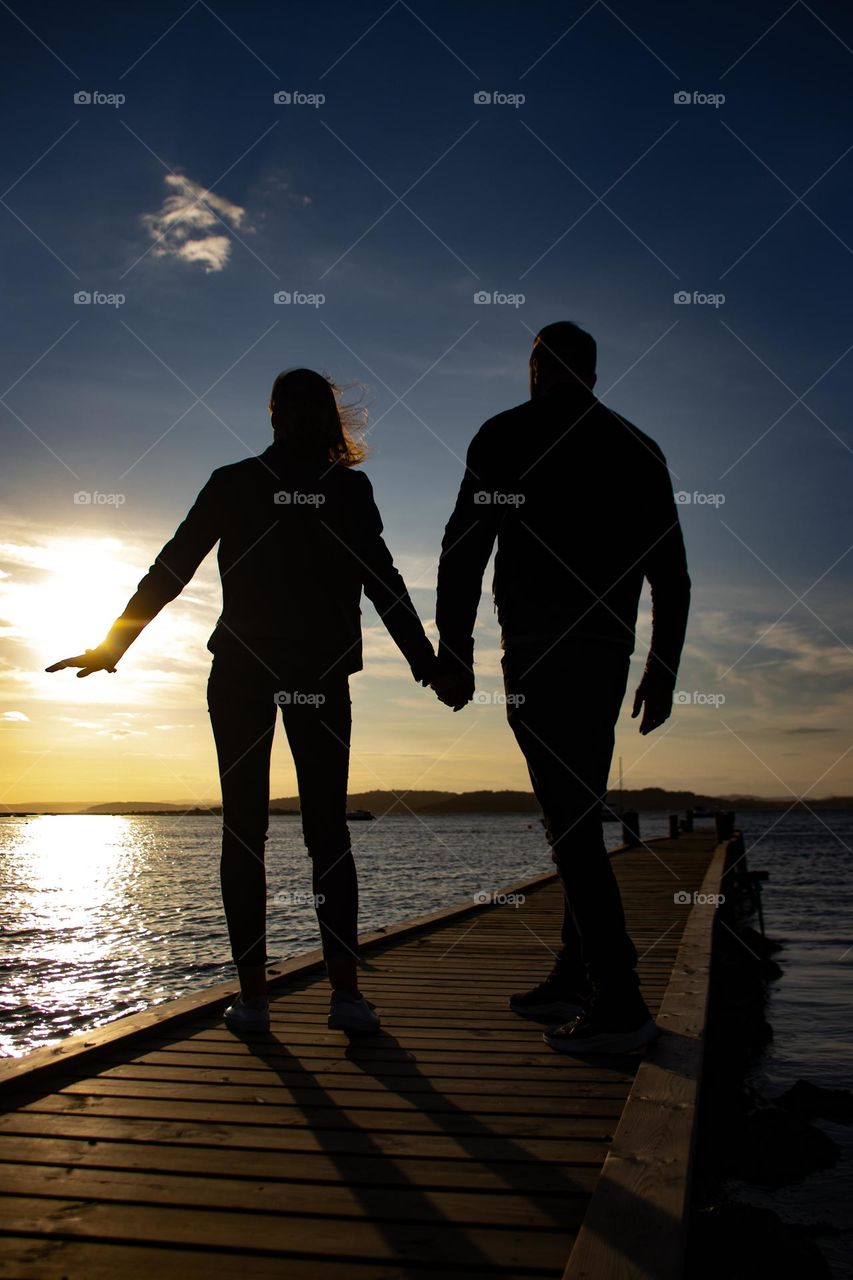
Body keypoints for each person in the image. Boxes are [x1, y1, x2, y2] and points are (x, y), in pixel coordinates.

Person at [47, 368, 436, 1037]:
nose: (300, 421)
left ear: (283, 415)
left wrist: (426, 659)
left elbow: (175, 567)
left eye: (303, 410)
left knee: (265, 831)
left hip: (256, 674)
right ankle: (312, 996)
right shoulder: (322, 487)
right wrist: (426, 661)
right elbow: (378, 578)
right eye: (297, 410)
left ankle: (269, 1000)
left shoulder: (274, 484)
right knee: (311, 832)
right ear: (290, 416)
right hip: (282, 673)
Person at [431, 322, 691, 1054]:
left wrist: (456, 654)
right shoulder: (637, 447)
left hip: (540, 652)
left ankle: (620, 1002)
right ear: (594, 373)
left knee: (568, 817)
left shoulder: (506, 434)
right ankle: (575, 973)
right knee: (577, 808)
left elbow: (463, 548)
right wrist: (661, 669)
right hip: (608, 654)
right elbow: (669, 575)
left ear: (535, 371)